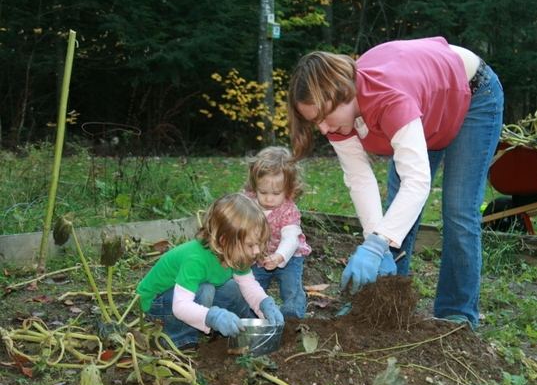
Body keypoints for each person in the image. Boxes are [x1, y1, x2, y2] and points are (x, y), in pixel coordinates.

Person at [287, 36, 504, 328]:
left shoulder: (388, 98)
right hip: (424, 103)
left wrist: (377, 245)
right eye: (315, 122)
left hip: (471, 93)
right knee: (395, 215)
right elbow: (359, 179)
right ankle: (384, 303)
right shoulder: (336, 117)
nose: (324, 128)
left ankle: (457, 312)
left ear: (344, 93)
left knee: (458, 207)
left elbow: (417, 181)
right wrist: (373, 241)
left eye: (324, 117)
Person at [137, 193, 285, 351]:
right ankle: (177, 338)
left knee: (235, 289)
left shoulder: (235, 251)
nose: (256, 251)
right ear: (223, 241)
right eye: (250, 245)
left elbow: (249, 285)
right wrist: (212, 316)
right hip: (158, 304)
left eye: (259, 244)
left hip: (188, 296)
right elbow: (180, 306)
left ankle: (238, 326)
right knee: (205, 289)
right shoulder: (195, 259)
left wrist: (264, 304)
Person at [243, 146, 312, 318]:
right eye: (263, 192)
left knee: (291, 288)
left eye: (276, 193)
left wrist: (280, 256)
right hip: (258, 255)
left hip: (289, 256)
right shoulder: (248, 204)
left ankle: (292, 320)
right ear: (254, 186)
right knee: (253, 287)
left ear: (289, 190)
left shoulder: (288, 210)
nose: (268, 199)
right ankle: (252, 320)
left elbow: (290, 239)